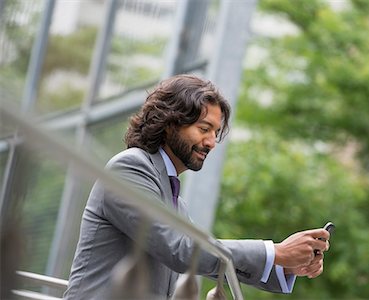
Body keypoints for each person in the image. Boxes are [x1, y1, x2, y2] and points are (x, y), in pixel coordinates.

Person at [63, 74, 330, 299]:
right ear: (169, 124)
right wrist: (275, 251)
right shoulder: (129, 168)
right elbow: (181, 250)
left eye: (215, 133)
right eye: (204, 129)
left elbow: (205, 260)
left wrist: (286, 265)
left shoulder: (175, 200)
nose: (211, 142)